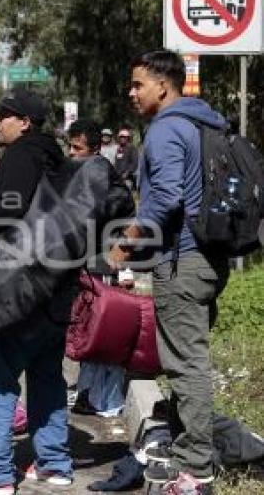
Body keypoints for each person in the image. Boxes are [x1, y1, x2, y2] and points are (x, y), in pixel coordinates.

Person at [109, 50, 230, 492]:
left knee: (185, 363)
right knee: (188, 356)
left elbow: (166, 197)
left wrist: (126, 243)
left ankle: (196, 466)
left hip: (183, 259)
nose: (132, 92)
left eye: (139, 84)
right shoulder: (206, 123)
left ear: (165, 85)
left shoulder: (165, 130)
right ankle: (187, 448)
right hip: (211, 257)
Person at [0, 88, 73, 494]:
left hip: (21, 287)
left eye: (4, 115)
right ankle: (54, 464)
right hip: (59, 284)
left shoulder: (22, 155)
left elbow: (10, 209)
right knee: (46, 375)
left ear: (24, 122)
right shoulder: (58, 158)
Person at [67, 119, 127, 418]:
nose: (71, 153)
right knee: (88, 327)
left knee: (99, 330)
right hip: (91, 260)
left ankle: (105, 398)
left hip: (102, 262)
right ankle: (90, 392)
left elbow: (92, 214)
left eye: (77, 148)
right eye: (69, 146)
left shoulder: (99, 171)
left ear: (94, 147)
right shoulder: (89, 170)